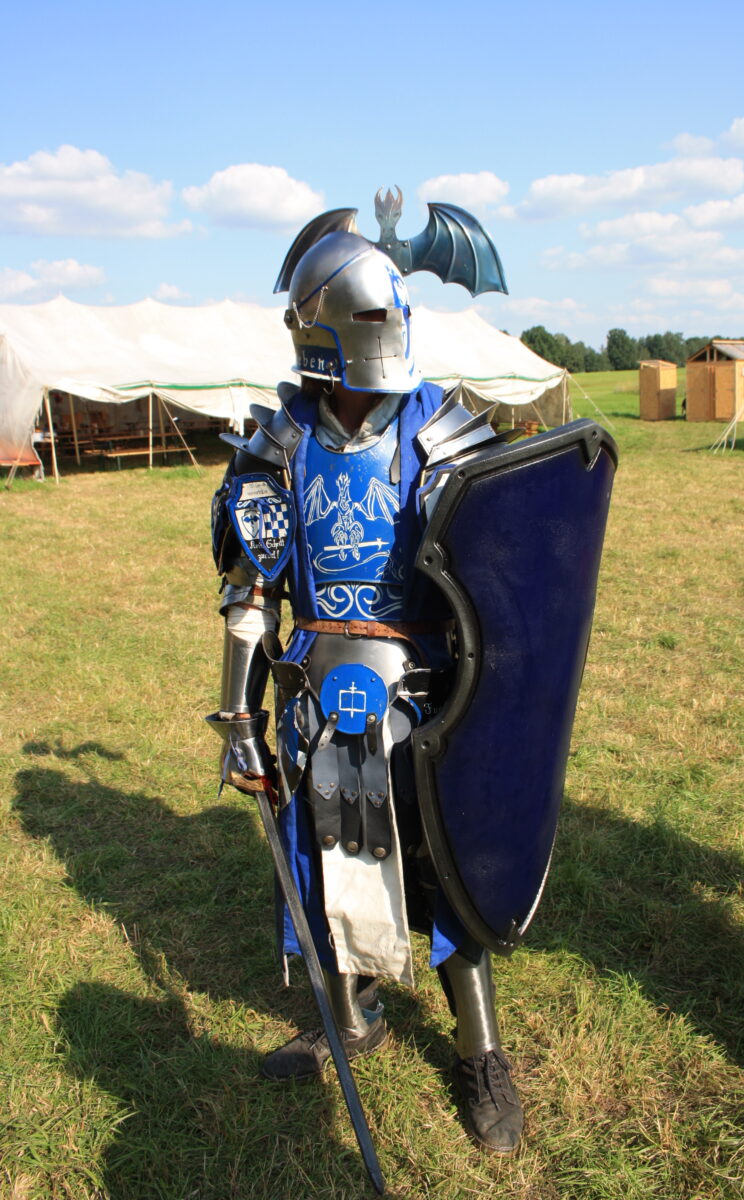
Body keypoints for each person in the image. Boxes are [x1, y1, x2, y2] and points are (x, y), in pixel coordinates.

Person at [209, 229, 524, 1152]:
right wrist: (239, 718)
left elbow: (500, 587)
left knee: (441, 865)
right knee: (324, 854)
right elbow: (250, 596)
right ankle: (350, 1018)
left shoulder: (441, 432)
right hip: (315, 695)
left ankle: (480, 1051)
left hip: (425, 700)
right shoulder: (280, 442)